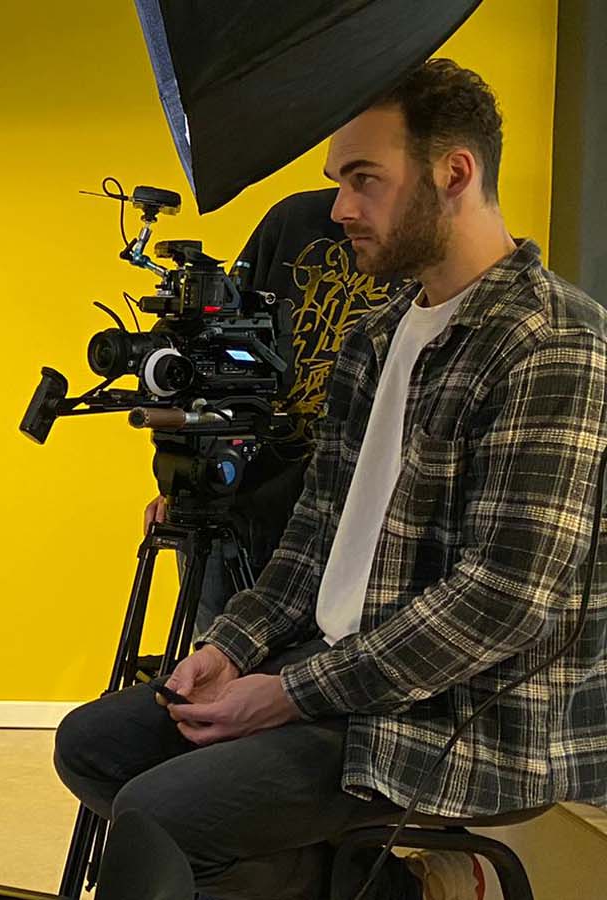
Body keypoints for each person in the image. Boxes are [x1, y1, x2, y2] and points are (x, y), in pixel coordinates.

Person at [56, 59, 607, 900]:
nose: (340, 207)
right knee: (94, 747)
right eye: (339, 181)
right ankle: (383, 890)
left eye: (364, 179)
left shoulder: (553, 342)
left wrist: (288, 693)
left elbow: (503, 600)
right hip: (339, 665)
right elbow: (313, 537)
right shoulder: (379, 334)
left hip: (458, 715)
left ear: (454, 173)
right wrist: (230, 647)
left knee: (163, 815)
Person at [143, 188, 403, 636]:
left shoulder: (433, 254)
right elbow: (213, 343)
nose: (346, 205)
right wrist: (186, 472)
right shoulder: (294, 221)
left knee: (315, 672)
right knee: (212, 664)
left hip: (359, 532)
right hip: (239, 507)